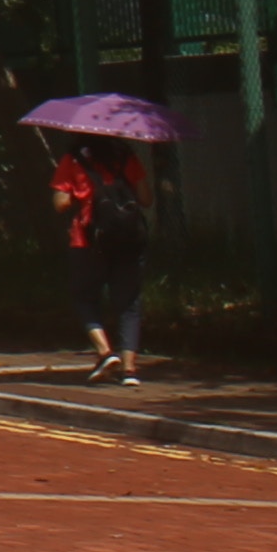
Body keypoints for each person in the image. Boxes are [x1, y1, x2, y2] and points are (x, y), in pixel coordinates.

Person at [57, 135, 155, 383]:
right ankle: (130, 369)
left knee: (84, 297)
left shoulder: (74, 159)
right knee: (129, 303)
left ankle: (104, 351)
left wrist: (80, 195)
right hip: (130, 240)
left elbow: (60, 203)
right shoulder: (126, 157)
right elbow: (145, 198)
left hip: (87, 241)